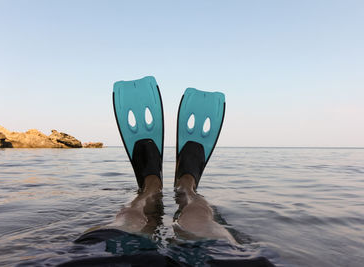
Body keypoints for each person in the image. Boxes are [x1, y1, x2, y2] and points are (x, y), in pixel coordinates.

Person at [59, 77, 274, 267]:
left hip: (96, 257)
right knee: (199, 218)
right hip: (220, 259)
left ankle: (150, 188)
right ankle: (186, 187)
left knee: (127, 220)